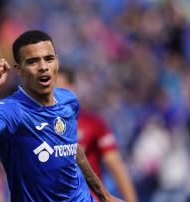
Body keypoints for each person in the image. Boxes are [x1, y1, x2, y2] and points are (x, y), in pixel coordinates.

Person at [0, 30, 123, 202]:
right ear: (19, 70)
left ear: (57, 61)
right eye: (33, 62)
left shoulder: (68, 100)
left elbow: (72, 148)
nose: (43, 67)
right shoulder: (11, 110)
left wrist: (104, 196)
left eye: (48, 59)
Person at [57, 68, 138, 202]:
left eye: (60, 89)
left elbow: (115, 164)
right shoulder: (38, 127)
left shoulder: (92, 123)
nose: (55, 95)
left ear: (72, 89)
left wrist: (131, 199)